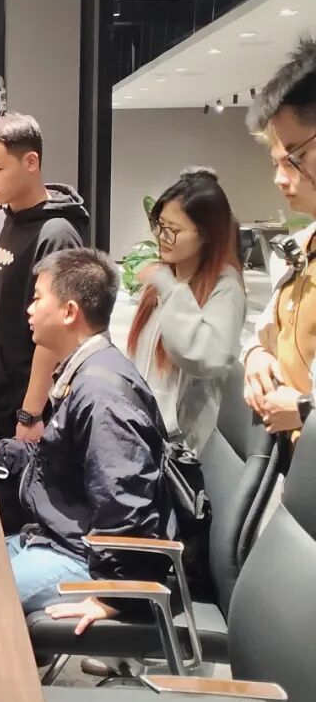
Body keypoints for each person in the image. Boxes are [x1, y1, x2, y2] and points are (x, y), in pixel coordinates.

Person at [0, 249, 174, 630]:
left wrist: (112, 597)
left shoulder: (101, 396)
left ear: (70, 312)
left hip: (84, 560)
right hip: (60, 537)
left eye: (38, 299)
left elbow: (126, 505)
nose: (29, 309)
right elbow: (58, 459)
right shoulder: (85, 371)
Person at [0, 113, 88, 532]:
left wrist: (31, 414)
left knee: (10, 528)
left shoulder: (57, 233)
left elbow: (55, 334)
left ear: (31, 162)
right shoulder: (0, 220)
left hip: (20, 411)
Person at [127, 169, 246, 455]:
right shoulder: (166, 278)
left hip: (183, 448)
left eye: (174, 230)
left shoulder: (225, 289)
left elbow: (204, 356)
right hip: (144, 430)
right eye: (160, 225)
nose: (162, 237)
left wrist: (168, 287)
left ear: (206, 235)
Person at [243, 36, 316, 444]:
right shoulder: (299, 249)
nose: (280, 179)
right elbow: (268, 331)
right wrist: (255, 355)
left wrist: (306, 408)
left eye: (294, 158)